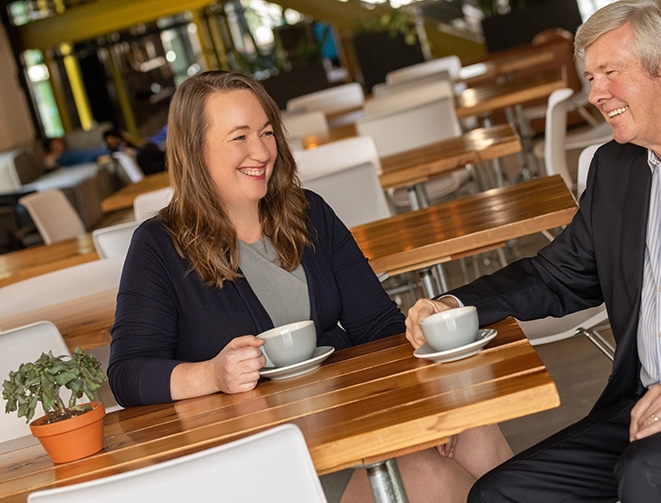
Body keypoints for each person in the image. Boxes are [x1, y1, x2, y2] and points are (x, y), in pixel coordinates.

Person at [405, 0, 661, 503]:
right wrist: (453, 306)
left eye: (610, 72)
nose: (596, 93)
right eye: (591, 77)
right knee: (500, 492)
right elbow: (557, 275)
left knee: (650, 475)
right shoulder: (617, 168)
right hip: (647, 406)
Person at [107, 70, 511, 503]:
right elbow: (127, 374)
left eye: (266, 132)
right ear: (195, 150)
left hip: (346, 425)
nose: (261, 151)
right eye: (238, 137)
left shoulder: (308, 213)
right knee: (422, 474)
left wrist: (421, 408)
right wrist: (211, 374)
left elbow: (376, 324)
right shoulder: (159, 246)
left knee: (471, 421)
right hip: (265, 466)